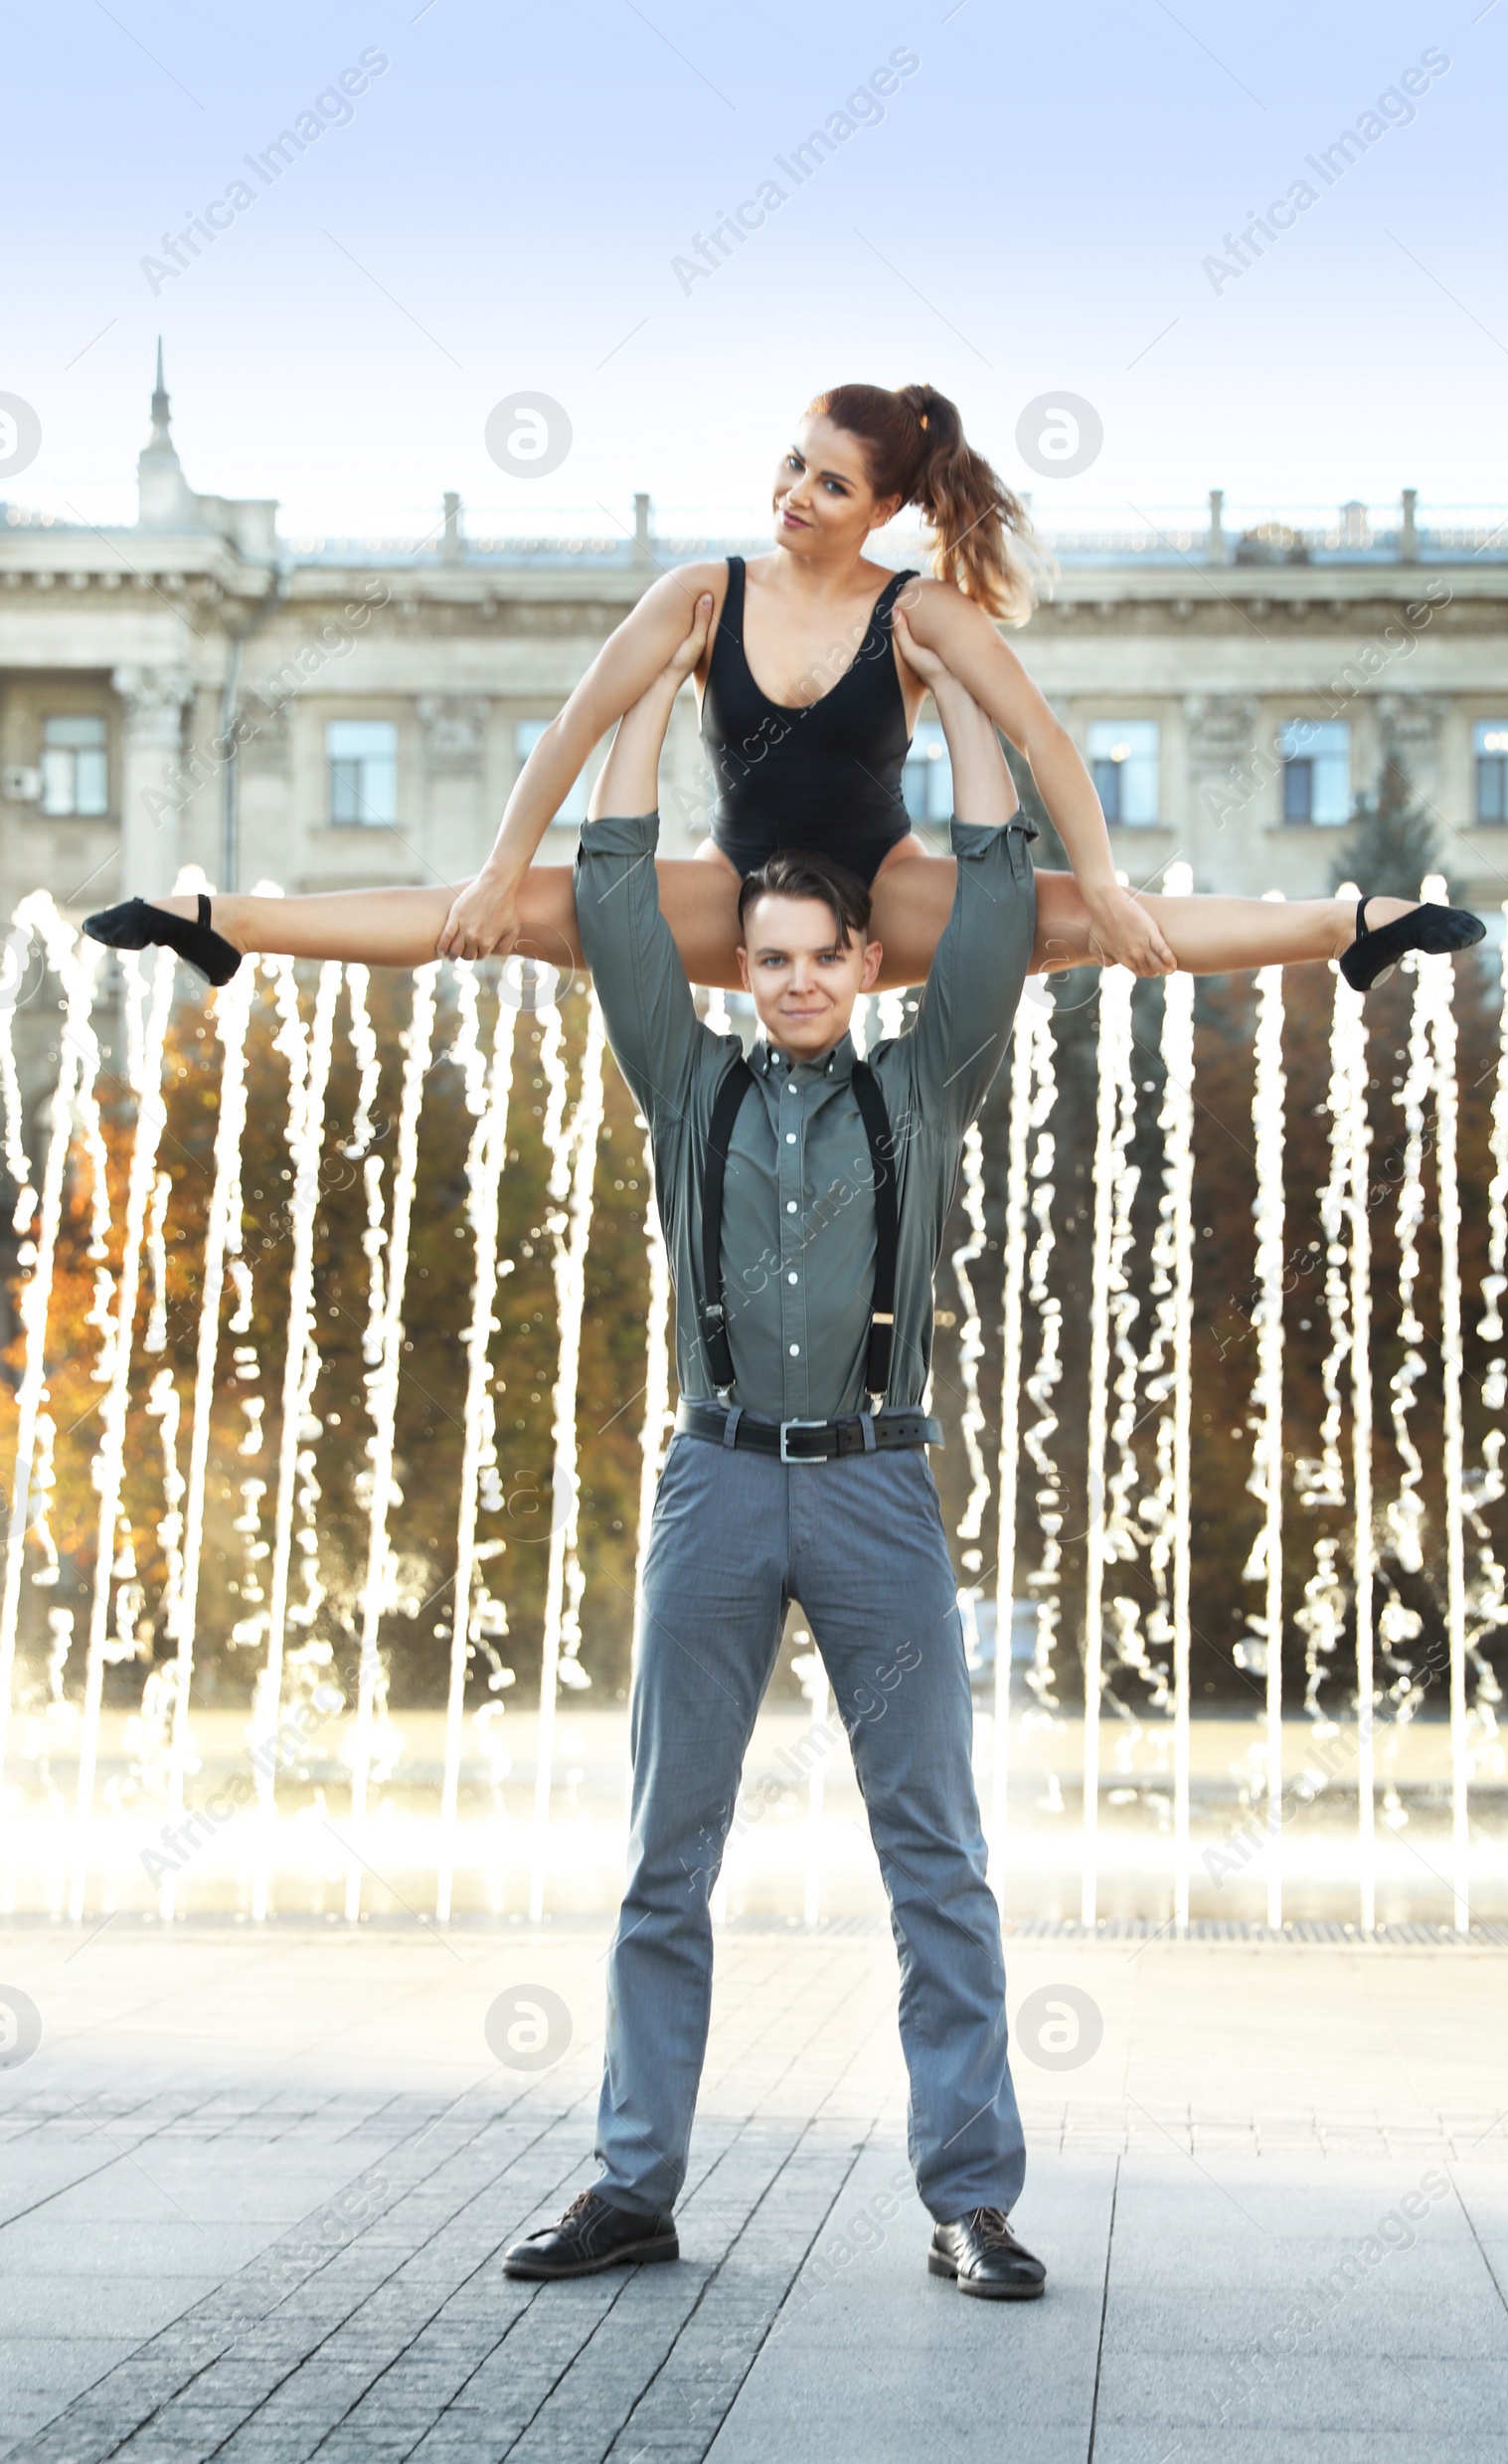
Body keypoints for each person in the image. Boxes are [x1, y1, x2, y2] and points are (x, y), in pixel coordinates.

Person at [499, 596, 1044, 2299]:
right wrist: (653, 696)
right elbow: (607, 881)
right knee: (669, 1854)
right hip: (717, 1482)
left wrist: (954, 692)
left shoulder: (926, 1080)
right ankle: (632, 2183)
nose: (802, 978)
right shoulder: (690, 1076)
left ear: (868, 966)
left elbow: (1006, 884)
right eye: (774, 955)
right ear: (744, 968)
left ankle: (970, 2197)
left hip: (882, 1484)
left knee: (934, 1855)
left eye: (828, 954)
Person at [84, 381, 1483, 997]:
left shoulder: (916, 610)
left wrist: (1105, 875)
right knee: (499, 917)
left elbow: (1046, 736)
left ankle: (1353, 921)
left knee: (1079, 927)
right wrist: (503, 865)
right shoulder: (704, 593)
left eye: (829, 481)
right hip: (736, 884)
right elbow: (577, 726)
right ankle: (220, 919)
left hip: (889, 890)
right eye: (791, 464)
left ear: (881, 508)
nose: (795, 494)